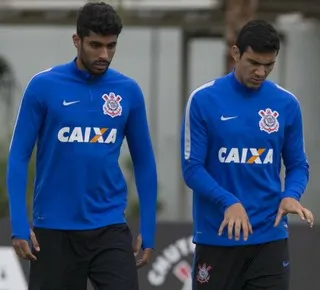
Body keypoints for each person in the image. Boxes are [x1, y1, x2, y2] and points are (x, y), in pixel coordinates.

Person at [6, 2, 158, 290]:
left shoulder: (128, 91)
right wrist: (18, 225)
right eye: (96, 45)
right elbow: (18, 156)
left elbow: (144, 161)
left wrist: (148, 230)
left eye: (111, 46)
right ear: (77, 41)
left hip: (109, 226)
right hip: (54, 229)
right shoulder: (43, 86)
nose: (104, 55)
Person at [180, 19, 314, 290]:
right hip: (217, 238)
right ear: (236, 53)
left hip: (269, 238)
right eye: (254, 63)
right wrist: (228, 202)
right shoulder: (204, 100)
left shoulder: (286, 104)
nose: (261, 72)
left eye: (269, 65)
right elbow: (192, 168)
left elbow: (298, 164)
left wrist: (291, 195)